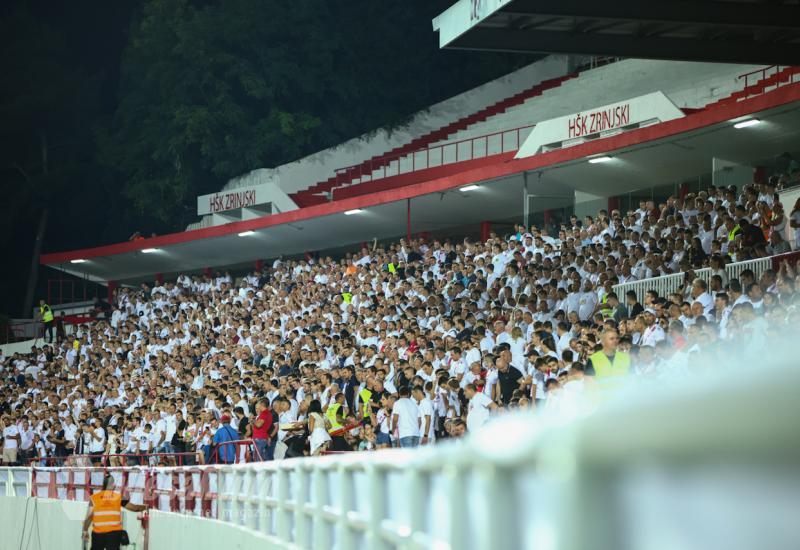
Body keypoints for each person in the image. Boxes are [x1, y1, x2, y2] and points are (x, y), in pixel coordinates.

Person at [82, 472, 146, 550]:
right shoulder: (118, 497)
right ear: (112, 485)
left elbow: (89, 516)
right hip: (114, 534)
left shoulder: (94, 498)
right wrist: (146, 507)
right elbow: (134, 508)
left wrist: (85, 530)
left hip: (98, 534)